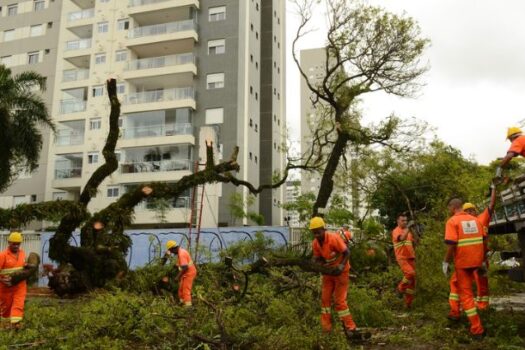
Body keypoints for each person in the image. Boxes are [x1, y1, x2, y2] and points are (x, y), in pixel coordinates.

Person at [310, 217, 368, 341]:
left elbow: (347, 252)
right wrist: (314, 263)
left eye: (318, 232)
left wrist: (341, 266)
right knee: (325, 300)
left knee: (339, 301)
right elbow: (317, 257)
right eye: (314, 232)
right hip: (328, 273)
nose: (316, 234)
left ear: (323, 229)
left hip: (341, 273)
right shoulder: (315, 243)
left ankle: (351, 328)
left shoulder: (333, 238)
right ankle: (326, 330)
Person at [450, 183, 496, 312]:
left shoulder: (482, 218)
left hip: (480, 259)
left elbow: (491, 205)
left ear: (475, 211)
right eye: (467, 210)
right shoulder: (460, 222)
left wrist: (493, 189)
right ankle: (459, 307)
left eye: (472, 210)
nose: (470, 212)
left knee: (482, 283)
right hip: (466, 259)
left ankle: (482, 307)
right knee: (460, 283)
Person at [443, 198, 485, 339]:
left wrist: (446, 262)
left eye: (449, 207)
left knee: (466, 296)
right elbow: (484, 241)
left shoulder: (452, 221)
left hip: (463, 263)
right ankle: (456, 312)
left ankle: (477, 329)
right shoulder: (476, 220)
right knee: (477, 289)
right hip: (477, 262)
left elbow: (451, 245)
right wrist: (483, 260)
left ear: (452, 207)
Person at [0, 232, 27, 329]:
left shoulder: (22, 253)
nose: (16, 246)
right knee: (5, 309)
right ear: (9, 242)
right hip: (5, 288)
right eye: (14, 243)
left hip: (20, 286)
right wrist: (3, 280)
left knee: (18, 304)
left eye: (18, 244)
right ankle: (5, 326)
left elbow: (24, 268)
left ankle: (16, 325)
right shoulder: (3, 256)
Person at [392, 214, 417, 308]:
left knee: (412, 282)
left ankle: (408, 304)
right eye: (403, 220)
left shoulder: (408, 232)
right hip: (402, 257)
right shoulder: (396, 231)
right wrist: (409, 227)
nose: (405, 222)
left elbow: (415, 242)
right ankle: (400, 288)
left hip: (411, 257)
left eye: (406, 220)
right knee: (410, 273)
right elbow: (401, 238)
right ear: (398, 221)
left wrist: (414, 230)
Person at [162, 240, 197, 307]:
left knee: (186, 290)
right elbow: (177, 265)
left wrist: (177, 277)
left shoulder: (181, 254)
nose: (171, 253)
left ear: (173, 248)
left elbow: (185, 268)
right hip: (185, 273)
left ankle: (188, 307)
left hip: (189, 273)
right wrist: (168, 273)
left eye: (171, 251)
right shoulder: (180, 252)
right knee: (180, 289)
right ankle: (182, 303)